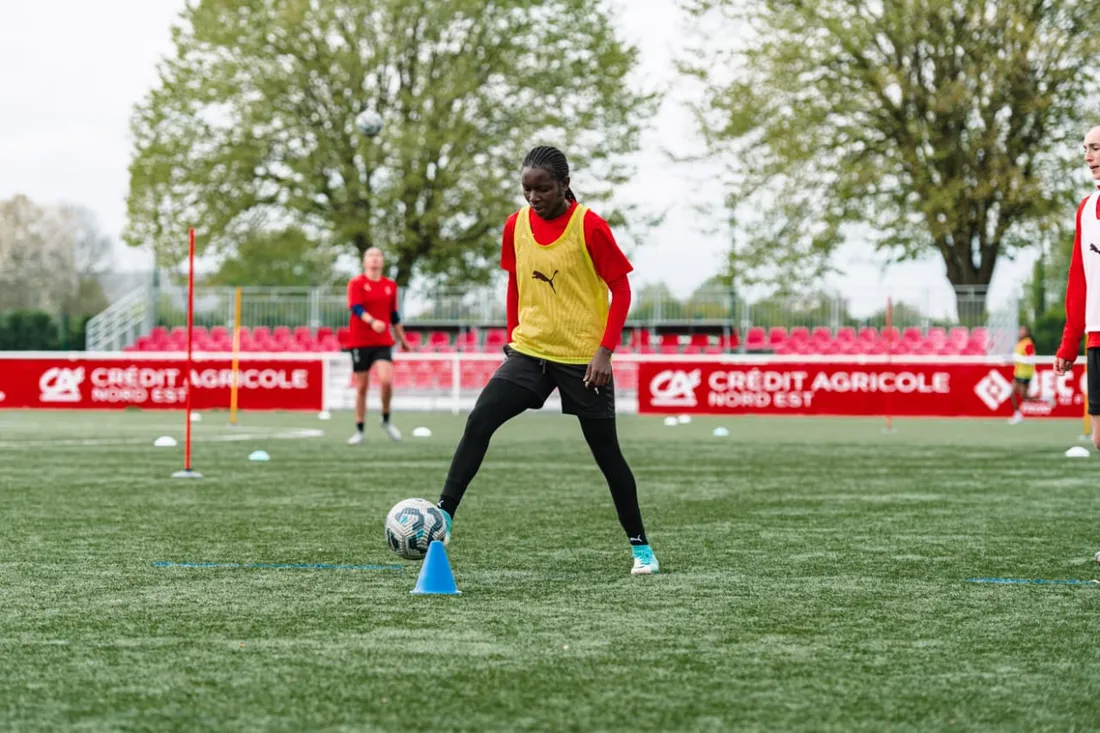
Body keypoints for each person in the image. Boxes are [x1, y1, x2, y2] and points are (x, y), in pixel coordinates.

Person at [433, 145, 659, 575]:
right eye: (527, 189)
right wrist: (513, 336)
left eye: (543, 189)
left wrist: (604, 353)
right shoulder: (514, 226)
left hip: (583, 360)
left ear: (565, 185)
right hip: (531, 351)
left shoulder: (590, 226)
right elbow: (515, 282)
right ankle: (443, 515)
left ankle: (641, 548)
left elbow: (622, 291)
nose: (534, 198)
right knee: (480, 418)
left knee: (607, 456)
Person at [1055, 124, 1100, 451]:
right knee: (1099, 440)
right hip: (1096, 337)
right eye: (1085, 148)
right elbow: (1079, 278)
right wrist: (1070, 342)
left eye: (1096, 148)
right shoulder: (1086, 209)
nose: (1088, 156)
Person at [346, 247, 411, 444]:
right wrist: (372, 321)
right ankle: (359, 429)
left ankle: (386, 419)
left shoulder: (390, 285)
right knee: (362, 388)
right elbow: (355, 307)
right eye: (370, 256)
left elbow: (394, 316)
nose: (374, 259)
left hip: (383, 341)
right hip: (360, 341)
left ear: (382, 261)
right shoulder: (356, 283)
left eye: (378, 256)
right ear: (365, 261)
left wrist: (402, 339)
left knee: (386, 381)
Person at [1007, 325, 1048, 424]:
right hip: (1018, 373)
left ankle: (1045, 398)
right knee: (1012, 393)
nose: (1021, 332)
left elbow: (1031, 359)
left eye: (1023, 331)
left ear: (1027, 333)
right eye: (1020, 330)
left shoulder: (1028, 343)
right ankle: (1017, 414)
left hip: (1025, 374)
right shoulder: (1019, 343)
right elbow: (1017, 357)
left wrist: (1018, 358)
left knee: (1024, 396)